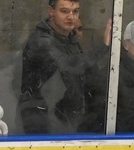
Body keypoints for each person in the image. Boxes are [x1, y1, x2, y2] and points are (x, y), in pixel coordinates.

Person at [19, 0, 110, 134]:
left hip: (65, 117)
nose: (71, 16)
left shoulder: (70, 39)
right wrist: (104, 47)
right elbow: (69, 65)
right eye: (64, 11)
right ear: (51, 11)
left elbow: (89, 75)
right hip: (41, 120)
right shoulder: (41, 40)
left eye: (75, 11)